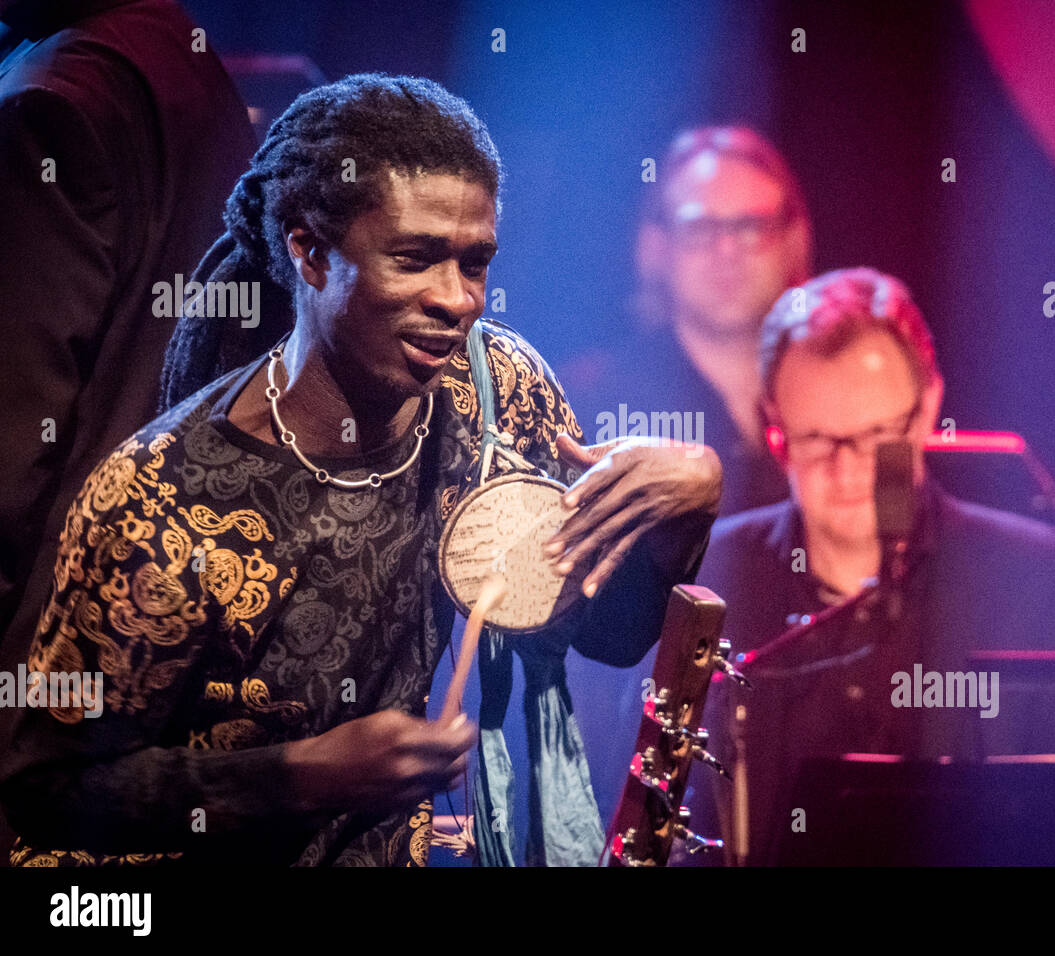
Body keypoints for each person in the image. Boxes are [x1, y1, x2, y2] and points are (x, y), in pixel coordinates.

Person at [0, 74, 722, 867]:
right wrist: (301, 776)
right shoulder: (162, 502)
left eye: (474, 263)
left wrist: (685, 508)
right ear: (309, 251)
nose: (458, 300)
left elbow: (605, 633)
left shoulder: (497, 394)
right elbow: (49, 790)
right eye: (414, 259)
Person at [689, 268, 1055, 866]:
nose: (846, 471)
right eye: (815, 438)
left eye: (874, 437)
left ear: (927, 411)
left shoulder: (1042, 585)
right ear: (776, 426)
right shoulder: (708, 578)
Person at [0, 0, 255, 855]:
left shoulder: (55, 96)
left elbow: (8, 458)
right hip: (163, 642)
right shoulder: (188, 66)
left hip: (38, 673)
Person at [565, 126, 814, 819]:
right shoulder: (591, 401)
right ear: (657, 245)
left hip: (803, 732)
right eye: (702, 227)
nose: (729, 250)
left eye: (752, 226)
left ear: (793, 239)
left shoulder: (833, 389)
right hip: (641, 743)